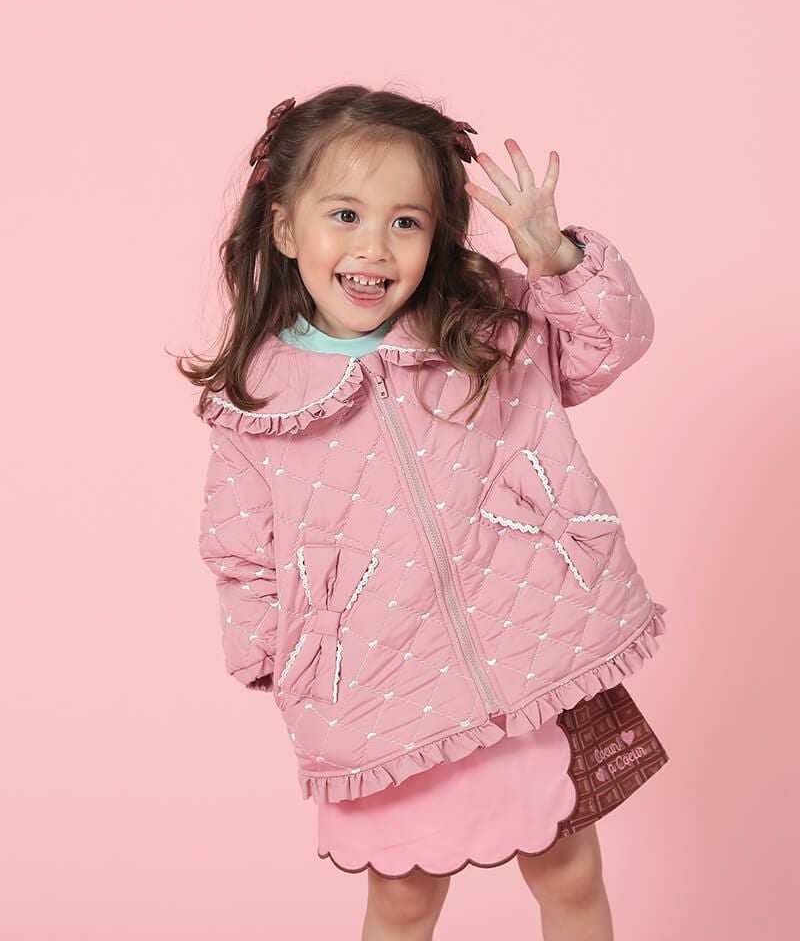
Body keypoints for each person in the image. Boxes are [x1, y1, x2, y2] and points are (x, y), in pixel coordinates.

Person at [177, 84, 670, 941]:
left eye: (406, 221)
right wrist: (272, 657)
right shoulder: (258, 397)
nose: (375, 246)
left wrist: (555, 260)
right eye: (345, 214)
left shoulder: (485, 327)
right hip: (382, 691)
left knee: (571, 874)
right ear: (286, 229)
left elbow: (607, 344)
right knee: (403, 904)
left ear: (436, 233)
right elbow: (239, 546)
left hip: (531, 658)